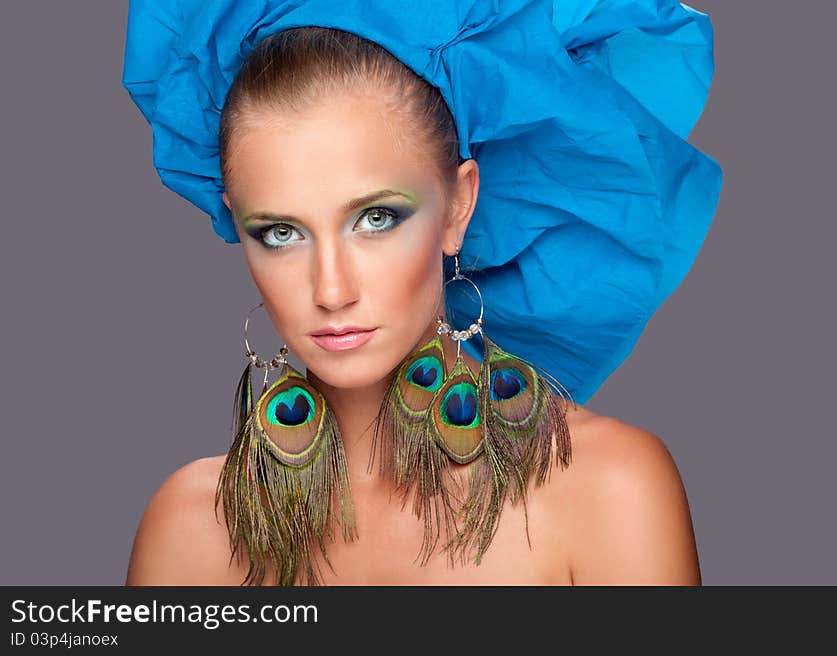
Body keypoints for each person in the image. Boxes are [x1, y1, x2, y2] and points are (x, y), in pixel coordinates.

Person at [122, 1, 721, 586]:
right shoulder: (191, 530)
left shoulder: (607, 491)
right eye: (281, 233)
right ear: (235, 222)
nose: (331, 290)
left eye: (377, 219)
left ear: (459, 205)